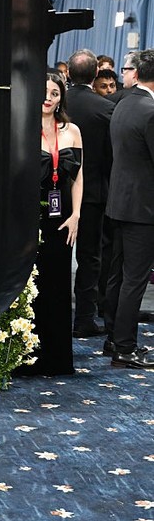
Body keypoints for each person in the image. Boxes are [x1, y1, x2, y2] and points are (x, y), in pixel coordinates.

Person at [19, 73, 83, 376]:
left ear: (61, 99)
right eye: (45, 92)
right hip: (30, 213)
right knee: (32, 284)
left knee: (57, 283)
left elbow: (78, 176)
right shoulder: (24, 127)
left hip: (63, 215)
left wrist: (77, 215)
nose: (49, 98)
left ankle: (57, 358)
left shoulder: (72, 131)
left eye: (55, 94)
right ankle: (29, 356)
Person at [103, 49, 154, 369]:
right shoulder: (149, 110)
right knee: (134, 279)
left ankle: (113, 338)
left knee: (118, 277)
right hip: (142, 208)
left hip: (120, 202)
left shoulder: (123, 102)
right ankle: (124, 347)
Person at [66, 48, 113, 337]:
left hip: (54, 192)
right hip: (94, 195)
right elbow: (111, 157)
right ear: (96, 74)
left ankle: (52, 314)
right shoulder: (105, 109)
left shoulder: (55, 104)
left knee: (52, 257)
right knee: (89, 258)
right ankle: (84, 318)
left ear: (68, 74)